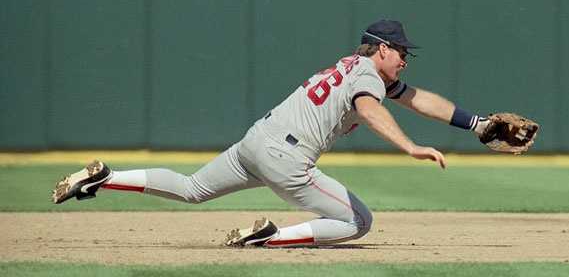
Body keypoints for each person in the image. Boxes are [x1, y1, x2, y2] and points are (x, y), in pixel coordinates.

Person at [52, 19, 490, 247]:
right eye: (401, 52)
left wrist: (477, 124)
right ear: (381, 48)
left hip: (257, 140)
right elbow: (369, 110)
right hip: (288, 158)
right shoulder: (368, 79)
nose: (405, 60)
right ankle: (271, 237)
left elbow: (418, 99)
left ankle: (105, 177)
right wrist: (410, 146)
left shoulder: (355, 67)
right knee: (358, 222)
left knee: (191, 188)